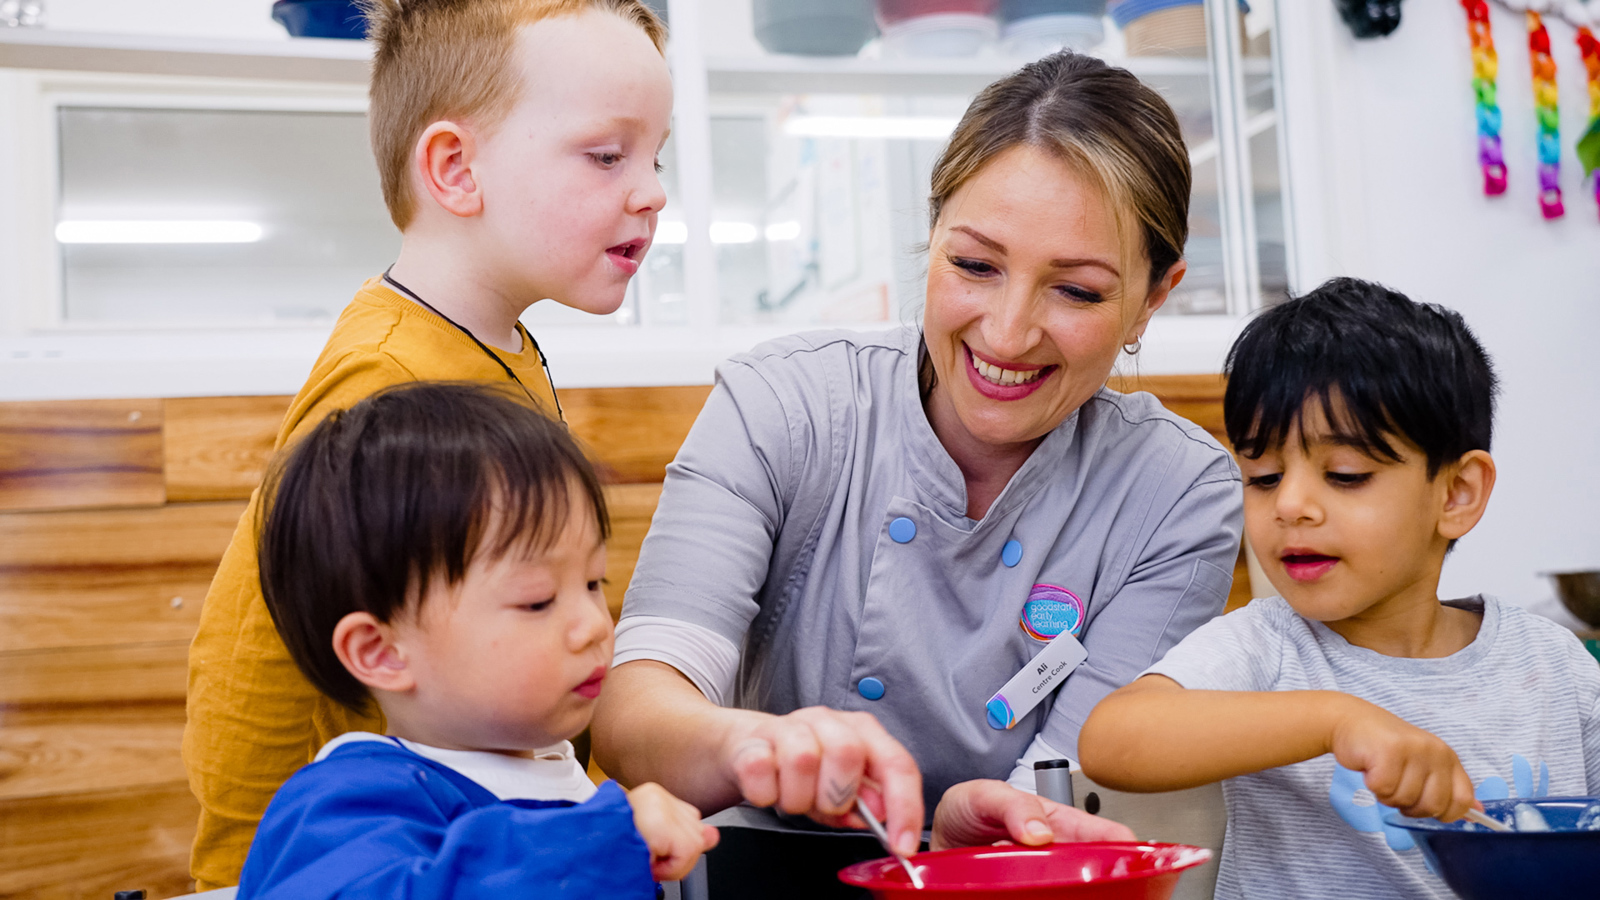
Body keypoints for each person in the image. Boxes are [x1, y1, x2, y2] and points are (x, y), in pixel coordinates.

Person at [591, 50, 1244, 869]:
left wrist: (988, 821)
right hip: (747, 867)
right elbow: (636, 713)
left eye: (1075, 290)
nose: (1007, 333)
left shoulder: (1176, 492)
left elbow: (1076, 791)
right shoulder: (784, 405)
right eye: (974, 265)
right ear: (931, 237)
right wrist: (761, 748)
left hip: (1011, 884)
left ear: (1154, 297)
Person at [183, 0, 674, 887]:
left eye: (656, 156)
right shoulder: (392, 373)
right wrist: (247, 865)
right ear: (454, 168)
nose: (651, 189)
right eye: (608, 155)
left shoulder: (496, 341)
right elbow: (248, 651)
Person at [1077, 278, 1600, 900]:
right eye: (1264, 477)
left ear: (1456, 494)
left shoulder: (1554, 666)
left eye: (1345, 476)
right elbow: (1113, 740)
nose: (1291, 505)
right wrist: (1335, 719)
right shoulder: (1267, 648)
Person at [235, 382, 717, 899]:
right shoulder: (345, 804)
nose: (597, 626)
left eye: (594, 583)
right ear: (382, 652)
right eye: (537, 601)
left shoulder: (565, 781)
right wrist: (597, 843)